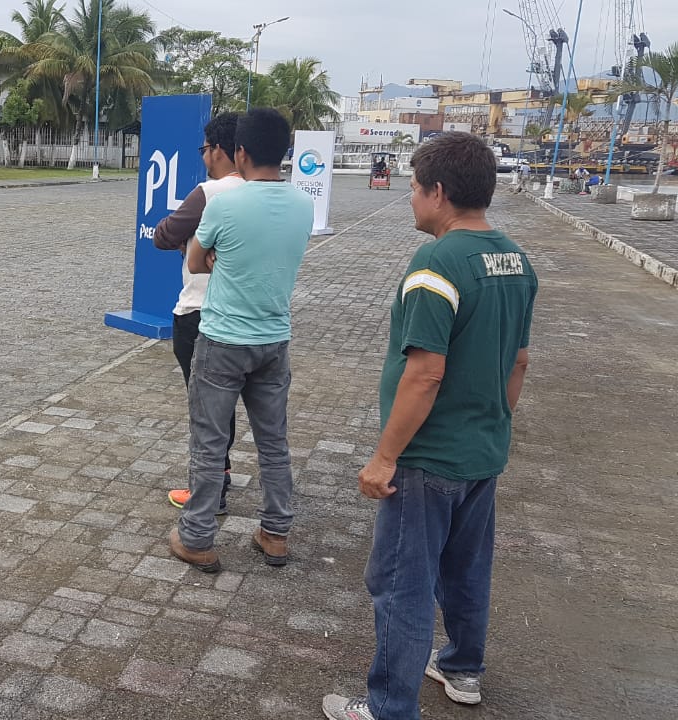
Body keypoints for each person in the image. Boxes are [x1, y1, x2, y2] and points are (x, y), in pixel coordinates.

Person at [322, 132, 538, 720]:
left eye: (414, 190)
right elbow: (517, 361)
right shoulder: (515, 260)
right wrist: (490, 425)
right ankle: (463, 668)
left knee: (401, 583)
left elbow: (425, 373)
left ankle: (389, 708)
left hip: (427, 458)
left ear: (438, 192)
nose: (410, 200)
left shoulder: (436, 262)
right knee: (467, 569)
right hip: (482, 450)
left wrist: (385, 457)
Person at [166, 108, 314, 572]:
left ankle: (197, 537)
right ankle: (275, 532)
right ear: (284, 152)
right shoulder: (303, 204)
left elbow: (194, 259)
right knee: (274, 441)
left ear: (241, 152)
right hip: (274, 339)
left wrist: (216, 255)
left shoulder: (224, 204)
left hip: (223, 339)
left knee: (209, 442)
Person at [151, 112, 245, 515]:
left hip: (198, 313)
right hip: (242, 317)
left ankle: (208, 491)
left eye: (205, 149)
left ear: (219, 150)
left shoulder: (208, 193)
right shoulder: (263, 192)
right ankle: (221, 475)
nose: (204, 157)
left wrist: (188, 242)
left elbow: (163, 235)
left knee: (205, 410)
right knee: (227, 407)